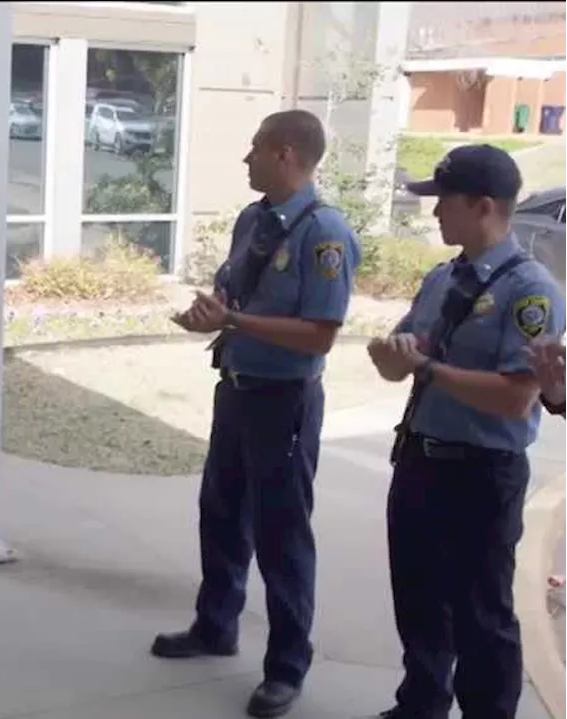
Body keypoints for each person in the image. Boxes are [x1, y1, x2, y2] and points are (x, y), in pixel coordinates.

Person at [155, 109, 360, 718]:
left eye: (255, 149)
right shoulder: (255, 220)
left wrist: (236, 321)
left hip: (285, 402)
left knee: (281, 535)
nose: (246, 159)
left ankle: (287, 668)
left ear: (287, 154)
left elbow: (320, 335)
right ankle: (215, 625)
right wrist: (211, 314)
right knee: (220, 513)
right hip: (237, 388)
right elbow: (232, 295)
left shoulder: (324, 235)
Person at [365, 144, 567, 719]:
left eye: (443, 202)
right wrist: (393, 352)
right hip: (420, 461)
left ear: (483, 206)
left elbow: (515, 396)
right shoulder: (441, 279)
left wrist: (426, 367)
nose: (433, 214)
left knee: (482, 616)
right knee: (419, 597)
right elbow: (392, 363)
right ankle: (421, 704)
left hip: (481, 473)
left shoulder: (530, 293)